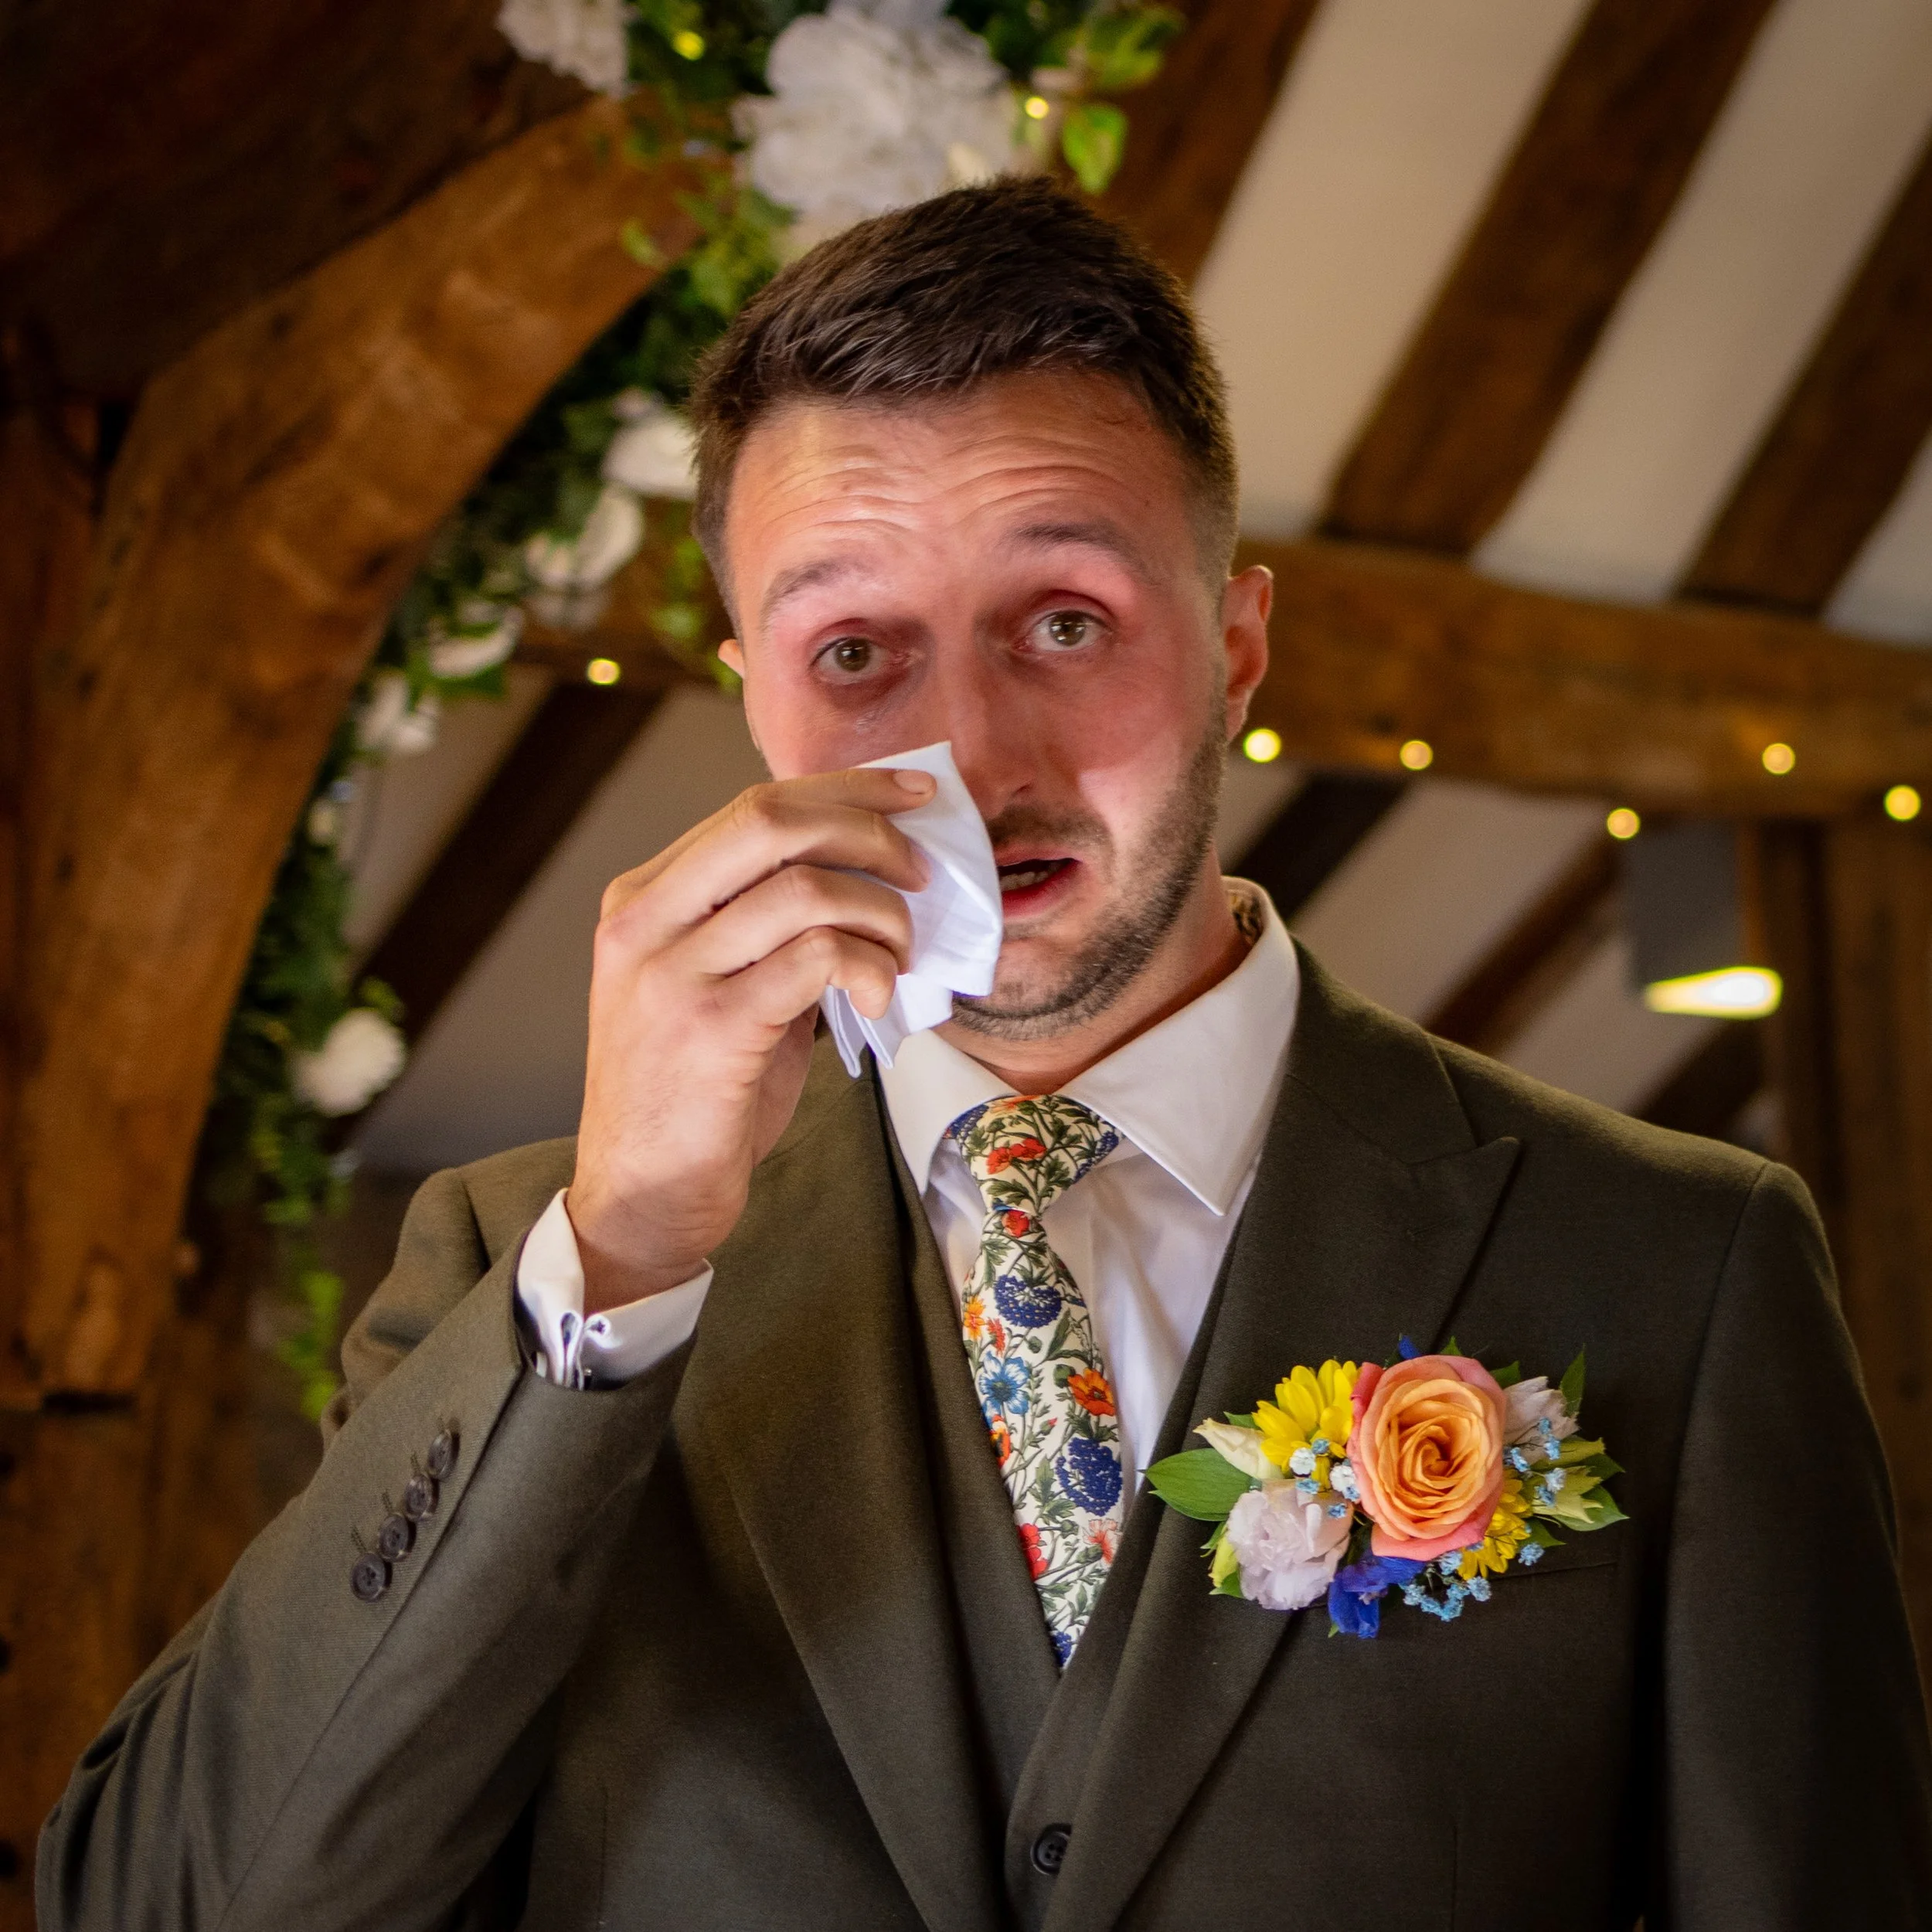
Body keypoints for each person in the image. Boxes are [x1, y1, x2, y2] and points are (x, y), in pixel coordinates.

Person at [39, 178, 1932, 1931]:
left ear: (1238, 644)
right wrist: (622, 1248)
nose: (973, 754)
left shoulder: (1675, 1268)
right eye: (857, 651)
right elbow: (169, 1901)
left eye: (1060, 617)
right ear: (752, 695)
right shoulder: (521, 1266)